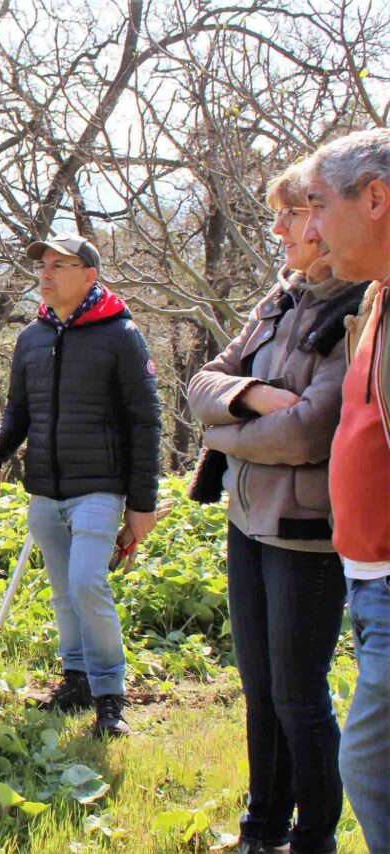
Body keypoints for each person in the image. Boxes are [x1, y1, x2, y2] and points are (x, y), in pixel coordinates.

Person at [188, 162, 363, 854]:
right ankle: (262, 830)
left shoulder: (358, 308)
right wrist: (254, 399)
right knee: (259, 690)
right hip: (248, 520)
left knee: (298, 695)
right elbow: (204, 383)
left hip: (306, 536)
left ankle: (313, 837)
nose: (280, 228)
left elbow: (311, 431)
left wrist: (228, 425)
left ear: (326, 224)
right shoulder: (281, 298)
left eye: (292, 214)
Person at [0, 232, 160, 738]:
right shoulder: (32, 337)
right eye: (44, 264)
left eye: (60, 264)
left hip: (99, 488)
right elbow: (17, 411)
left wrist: (142, 505)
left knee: (85, 584)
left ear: (89, 276)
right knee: (62, 592)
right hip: (45, 491)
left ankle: (110, 697)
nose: (46, 273)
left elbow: (147, 422)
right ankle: (75, 679)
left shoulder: (121, 335)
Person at [302, 128, 390, 854]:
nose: (309, 229)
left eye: (317, 206)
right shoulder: (376, 303)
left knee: (367, 766)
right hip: (369, 583)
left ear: (376, 199)